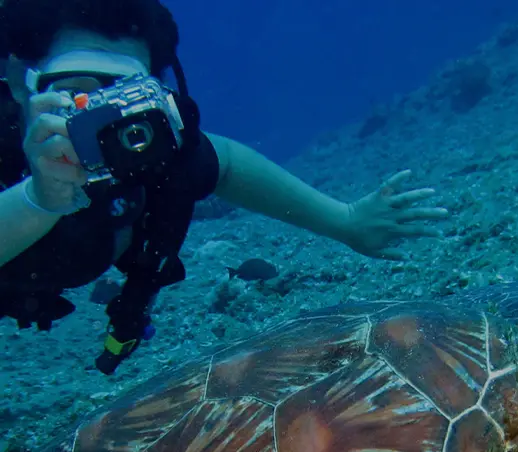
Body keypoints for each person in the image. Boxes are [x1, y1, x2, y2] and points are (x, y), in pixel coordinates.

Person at [0, 0, 448, 374]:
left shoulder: (156, 153)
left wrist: (346, 220)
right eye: (75, 94)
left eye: (122, 96)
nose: (101, 124)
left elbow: (228, 162)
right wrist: (37, 200)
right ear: (22, 84)